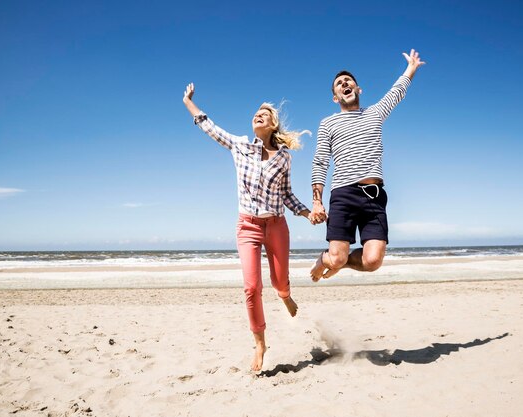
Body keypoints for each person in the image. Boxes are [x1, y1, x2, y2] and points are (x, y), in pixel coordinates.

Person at [182, 83, 311, 371]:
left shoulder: (284, 157)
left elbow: (287, 194)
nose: (258, 116)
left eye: (264, 114)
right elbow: (211, 128)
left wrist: (305, 212)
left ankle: (285, 295)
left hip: (277, 225)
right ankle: (260, 343)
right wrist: (189, 103)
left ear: (273, 124)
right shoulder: (240, 145)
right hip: (248, 226)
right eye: (256, 113)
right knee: (252, 288)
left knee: (278, 282)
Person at [309, 49, 426, 281]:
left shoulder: (374, 113)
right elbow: (320, 161)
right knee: (336, 257)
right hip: (343, 194)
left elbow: (396, 93)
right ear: (335, 97)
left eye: (349, 81)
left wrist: (411, 68)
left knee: (373, 262)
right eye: (339, 84)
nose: (345, 84)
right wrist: (316, 201)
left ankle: (339, 264)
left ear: (358, 89)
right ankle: (325, 259)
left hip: (374, 196)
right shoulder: (328, 123)